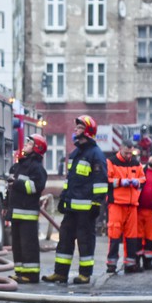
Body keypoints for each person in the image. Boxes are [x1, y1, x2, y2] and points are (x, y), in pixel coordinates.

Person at [43, 115, 108, 284]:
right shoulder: (75, 154)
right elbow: (70, 181)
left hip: (86, 210)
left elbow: (101, 182)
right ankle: (60, 273)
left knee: (85, 242)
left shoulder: (96, 155)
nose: (75, 130)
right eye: (76, 127)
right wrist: (63, 198)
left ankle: (85, 274)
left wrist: (96, 203)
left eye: (79, 128)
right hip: (71, 208)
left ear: (87, 132)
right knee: (64, 239)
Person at [6, 135, 48, 283]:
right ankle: (20, 272)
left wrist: (16, 183)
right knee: (17, 245)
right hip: (16, 212)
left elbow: (36, 187)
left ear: (36, 148)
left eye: (29, 143)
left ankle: (31, 275)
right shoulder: (20, 165)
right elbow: (11, 189)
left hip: (28, 214)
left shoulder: (37, 168)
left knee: (28, 245)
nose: (25, 144)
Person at [105, 140, 145, 274]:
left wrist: (137, 181)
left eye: (130, 153)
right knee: (114, 234)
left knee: (131, 236)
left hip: (132, 205)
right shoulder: (111, 162)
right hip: (116, 204)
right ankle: (111, 264)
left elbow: (143, 178)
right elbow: (106, 180)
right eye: (126, 153)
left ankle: (130, 264)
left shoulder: (136, 163)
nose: (128, 156)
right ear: (120, 149)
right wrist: (121, 182)